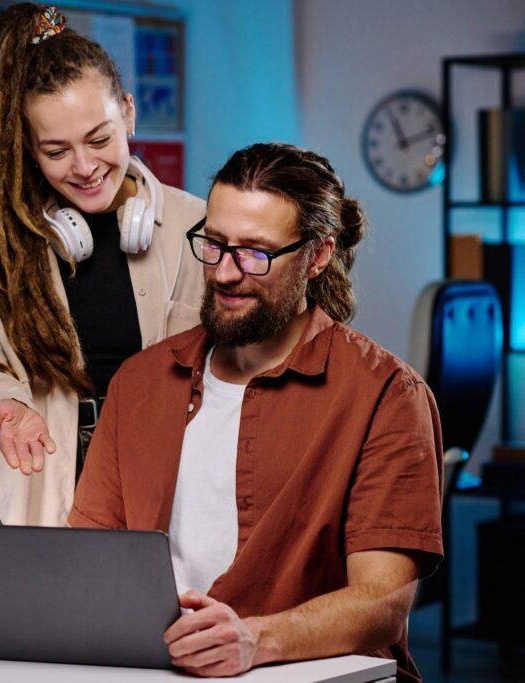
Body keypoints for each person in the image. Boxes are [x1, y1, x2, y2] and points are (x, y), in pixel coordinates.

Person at [69, 142, 442, 682]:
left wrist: (253, 639)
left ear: (316, 256)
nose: (224, 273)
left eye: (255, 253)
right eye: (215, 244)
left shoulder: (385, 395)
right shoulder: (140, 382)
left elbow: (383, 604)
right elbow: (88, 555)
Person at [0, 4, 205, 526]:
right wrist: (4, 408)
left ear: (129, 111)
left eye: (99, 139)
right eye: (56, 151)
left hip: (162, 505)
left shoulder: (196, 226)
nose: (85, 166)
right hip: (31, 496)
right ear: (29, 149)